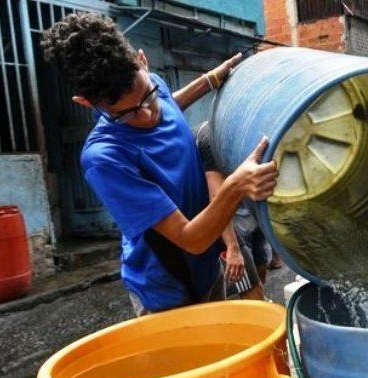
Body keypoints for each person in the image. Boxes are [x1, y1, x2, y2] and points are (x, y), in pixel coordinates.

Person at [42, 13, 278, 316]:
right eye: (126, 115)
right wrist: (236, 186)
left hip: (208, 267)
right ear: (87, 103)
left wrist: (209, 80)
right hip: (168, 293)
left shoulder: (153, 86)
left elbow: (167, 103)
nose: (147, 116)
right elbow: (190, 239)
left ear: (143, 61)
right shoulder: (105, 158)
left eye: (148, 98)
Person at [194, 121, 268, 301]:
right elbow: (217, 197)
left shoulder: (259, 132)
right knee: (247, 282)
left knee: (260, 262)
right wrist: (232, 249)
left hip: (244, 204)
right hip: (219, 214)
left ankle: (258, 307)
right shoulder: (212, 139)